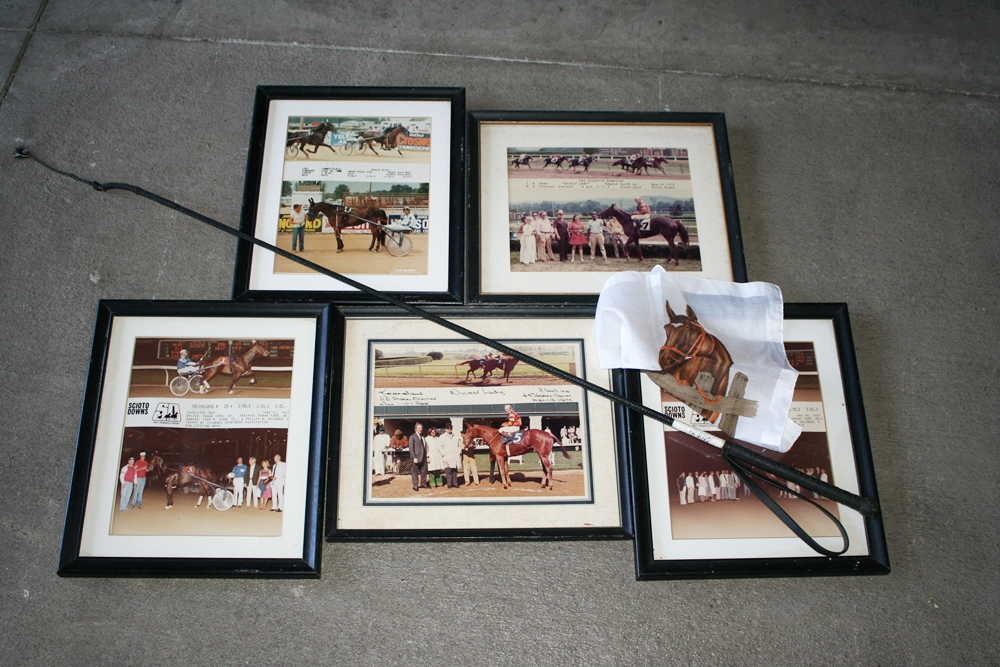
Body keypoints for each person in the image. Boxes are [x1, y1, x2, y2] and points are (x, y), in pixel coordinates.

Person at [439, 423, 463, 488]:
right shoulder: (442, 437)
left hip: (454, 455)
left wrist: (459, 451)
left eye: (450, 428)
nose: (449, 429)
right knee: (448, 470)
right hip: (447, 456)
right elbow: (440, 446)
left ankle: (455, 483)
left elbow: (460, 444)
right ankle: (449, 484)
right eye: (448, 428)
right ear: (445, 429)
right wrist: (443, 453)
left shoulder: (456, 436)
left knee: (454, 470)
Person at [408, 423, 428, 491]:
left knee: (424, 471)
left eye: (421, 428)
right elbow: (411, 448)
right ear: (415, 429)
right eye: (419, 428)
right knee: (415, 472)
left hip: (423, 457)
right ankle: (415, 485)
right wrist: (414, 457)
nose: (420, 429)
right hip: (416, 458)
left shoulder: (422, 437)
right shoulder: (412, 437)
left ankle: (423, 483)